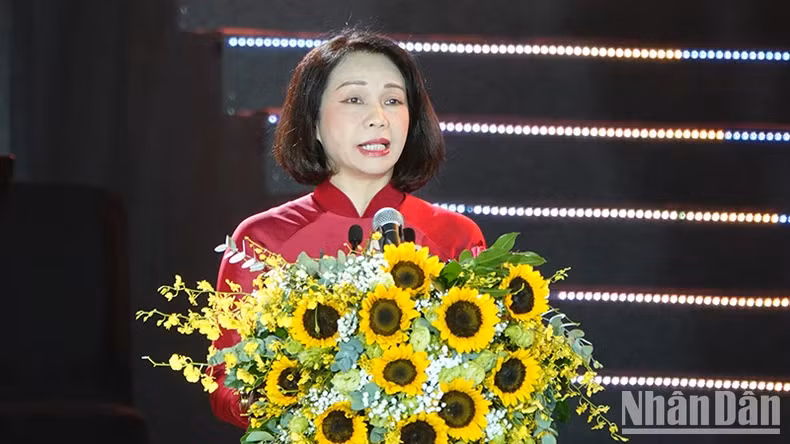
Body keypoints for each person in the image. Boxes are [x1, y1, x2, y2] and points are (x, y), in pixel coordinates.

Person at [208, 29, 486, 429]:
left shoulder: (455, 236)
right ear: (314, 123)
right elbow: (223, 385)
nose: (379, 117)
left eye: (393, 100)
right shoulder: (261, 240)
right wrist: (296, 401)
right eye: (354, 99)